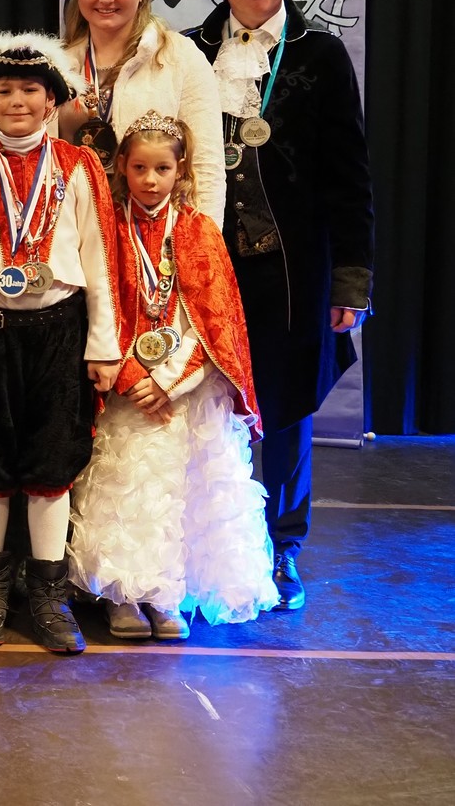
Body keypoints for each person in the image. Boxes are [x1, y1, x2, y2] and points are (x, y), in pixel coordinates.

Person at [184, 0, 374, 612]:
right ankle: (207, 547)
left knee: (287, 408)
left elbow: (350, 174)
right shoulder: (188, 49)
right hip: (205, 266)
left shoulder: (321, 53)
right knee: (203, 405)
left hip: (292, 271)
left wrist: (350, 279)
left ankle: (282, 546)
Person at [0, 33, 122, 655]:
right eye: (4, 90)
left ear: (52, 101)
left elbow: (100, 258)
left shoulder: (78, 165)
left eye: (30, 90)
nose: (17, 100)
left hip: (61, 331)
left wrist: (103, 345)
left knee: (51, 463)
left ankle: (47, 593)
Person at [68, 112, 278, 640]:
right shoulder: (107, 228)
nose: (150, 179)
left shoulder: (198, 230)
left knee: (180, 490)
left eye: (162, 168)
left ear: (181, 170)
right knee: (130, 486)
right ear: (121, 165)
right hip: (125, 385)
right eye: (139, 167)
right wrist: (131, 375)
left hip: (184, 388)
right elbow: (97, 307)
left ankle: (167, 597)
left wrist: (167, 380)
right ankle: (124, 594)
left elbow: (214, 320)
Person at [57, 0, 226, 226]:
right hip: (77, 230)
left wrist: (205, 243)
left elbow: (206, 164)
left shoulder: (180, 55)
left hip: (156, 234)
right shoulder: (58, 64)